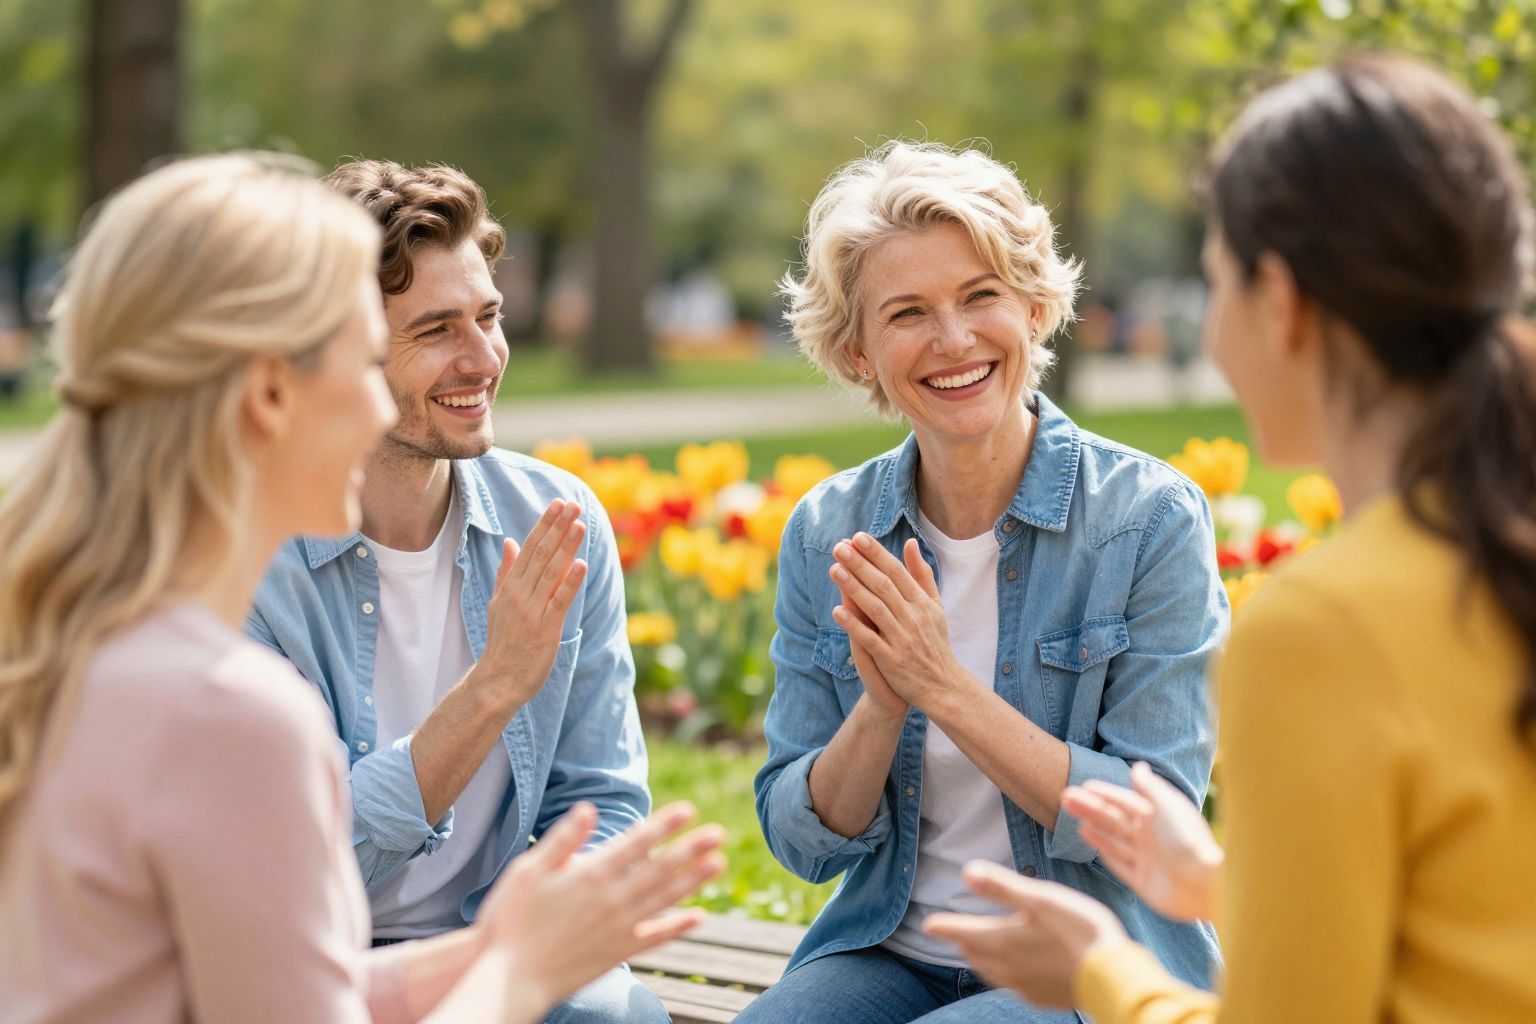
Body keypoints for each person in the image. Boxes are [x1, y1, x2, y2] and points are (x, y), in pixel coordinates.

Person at [0, 154, 725, 1024]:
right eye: (361, 355)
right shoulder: (230, 711)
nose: (481, 361)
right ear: (271, 392)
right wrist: (517, 974)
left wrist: (510, 949)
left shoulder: (75, 640)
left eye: (490, 318)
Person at [925, 55, 1536, 1024]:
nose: (1210, 333)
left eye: (1214, 283)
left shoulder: (1325, 630)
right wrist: (1219, 884)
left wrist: (1100, 971)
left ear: (1281, 302)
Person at [741, 141, 1226, 1024]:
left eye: (980, 297)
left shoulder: (1148, 519)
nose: (954, 340)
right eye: (908, 313)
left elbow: (1152, 823)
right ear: (857, 352)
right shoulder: (828, 532)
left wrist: (944, 688)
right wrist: (881, 708)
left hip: (1098, 964)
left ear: (1036, 307)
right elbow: (800, 837)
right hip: (893, 951)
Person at [242, 160, 661, 1023]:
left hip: (501, 941)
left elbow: (603, 797)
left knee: (614, 1016)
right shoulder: (250, 564)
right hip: (313, 963)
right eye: (437, 330)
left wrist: (535, 934)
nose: (484, 358)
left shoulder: (555, 517)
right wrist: (494, 688)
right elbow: (302, 879)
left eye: (491, 316)